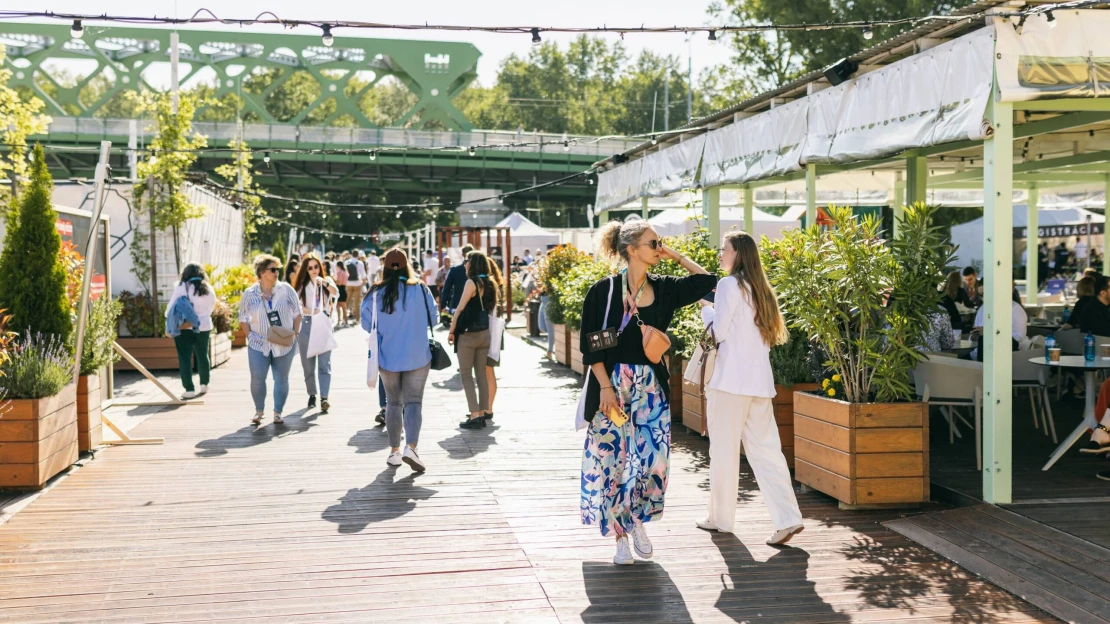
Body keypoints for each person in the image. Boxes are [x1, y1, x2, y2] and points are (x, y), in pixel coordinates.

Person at [578, 219, 715, 565]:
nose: (658, 249)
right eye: (652, 244)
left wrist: (674, 255)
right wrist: (605, 388)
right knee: (613, 461)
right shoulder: (603, 291)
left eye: (659, 243)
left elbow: (707, 284)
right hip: (613, 386)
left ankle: (638, 520)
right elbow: (590, 346)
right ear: (631, 249)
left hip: (651, 388)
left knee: (653, 460)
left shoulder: (665, 288)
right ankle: (620, 536)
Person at [695, 231, 804, 545]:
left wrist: (705, 310)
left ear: (737, 254)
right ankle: (788, 519)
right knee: (768, 453)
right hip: (759, 384)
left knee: (724, 451)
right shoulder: (761, 288)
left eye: (724, 249)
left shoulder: (730, 285)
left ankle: (720, 518)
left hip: (730, 382)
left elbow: (719, 332)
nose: (720, 255)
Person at [362, 248, 438, 472]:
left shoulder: (376, 293)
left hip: (388, 356)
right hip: (417, 354)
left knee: (393, 403)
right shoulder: (421, 289)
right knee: (414, 402)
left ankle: (394, 452)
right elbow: (433, 318)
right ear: (407, 265)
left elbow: (367, 324)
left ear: (385, 267)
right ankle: (411, 447)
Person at [239, 254, 302, 426]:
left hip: (284, 343)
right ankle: (259, 411)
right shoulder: (249, 293)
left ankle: (278, 412)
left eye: (278, 269)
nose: (277, 273)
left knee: (281, 378)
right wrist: (250, 336)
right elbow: (243, 317)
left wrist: (295, 333)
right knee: (257, 378)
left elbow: (298, 313)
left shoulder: (286, 289)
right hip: (258, 343)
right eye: (273, 269)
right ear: (262, 272)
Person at [449, 250, 498, 430]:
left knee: (466, 375)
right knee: (481, 376)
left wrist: (452, 330)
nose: (465, 264)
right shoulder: (491, 283)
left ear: (473, 263)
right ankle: (483, 412)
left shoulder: (472, 282)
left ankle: (474, 414)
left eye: (467, 261)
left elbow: (460, 308)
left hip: (468, 335)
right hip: (485, 333)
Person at [292, 253, 338, 412]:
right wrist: (311, 310)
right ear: (305, 269)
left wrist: (324, 283)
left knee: (325, 365)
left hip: (323, 324)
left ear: (320, 267)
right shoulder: (301, 286)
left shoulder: (326, 281)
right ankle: (312, 394)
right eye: (310, 267)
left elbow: (335, 292)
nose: (313, 270)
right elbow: (297, 307)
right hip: (307, 324)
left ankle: (324, 397)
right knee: (308, 365)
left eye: (316, 267)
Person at [165, 263, 217, 399]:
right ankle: (204, 384)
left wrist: (169, 324)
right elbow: (211, 307)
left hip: (184, 327)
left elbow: (171, 308)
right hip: (204, 326)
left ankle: (189, 389)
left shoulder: (181, 287)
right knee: (202, 355)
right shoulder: (208, 288)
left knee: (184, 357)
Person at [481, 255, 507, 423]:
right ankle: (488, 407)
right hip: (495, 331)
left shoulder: (487, 286)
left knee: (487, 371)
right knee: (489, 371)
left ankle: (488, 408)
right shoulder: (496, 285)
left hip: (488, 330)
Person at [440, 244, 473, 315]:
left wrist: (443, 305)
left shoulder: (455, 270)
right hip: (473, 307)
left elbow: (446, 288)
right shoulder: (478, 270)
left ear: (462, 255)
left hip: (457, 305)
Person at [345, 250, 366, 324]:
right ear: (358, 255)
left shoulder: (346, 262)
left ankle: (344, 317)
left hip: (348, 283)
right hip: (357, 284)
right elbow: (363, 275)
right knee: (357, 302)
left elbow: (345, 273)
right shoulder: (359, 263)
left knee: (347, 301)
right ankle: (357, 318)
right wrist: (363, 283)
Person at [333, 254, 349, 327]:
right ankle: (346, 321)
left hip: (339, 289)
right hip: (344, 288)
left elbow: (339, 282)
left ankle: (339, 320)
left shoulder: (339, 272)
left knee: (338, 307)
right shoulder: (345, 272)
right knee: (344, 307)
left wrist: (334, 281)